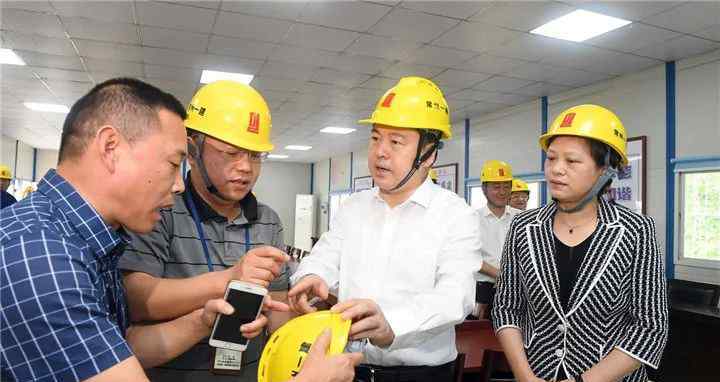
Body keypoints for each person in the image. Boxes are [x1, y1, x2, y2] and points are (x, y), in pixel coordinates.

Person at [0, 78, 360, 382]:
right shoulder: (42, 258)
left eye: (254, 156)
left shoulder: (84, 242)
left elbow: (120, 344)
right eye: (174, 164)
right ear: (111, 148)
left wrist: (202, 322)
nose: (176, 186)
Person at [118, 80, 360, 381]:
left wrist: (310, 316)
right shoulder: (160, 211)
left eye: (255, 155)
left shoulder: (268, 221)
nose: (246, 167)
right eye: (232, 153)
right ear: (193, 151)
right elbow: (136, 300)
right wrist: (228, 280)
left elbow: (277, 313)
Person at [288, 77, 482, 382]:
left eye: (396, 142)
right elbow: (325, 253)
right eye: (376, 138)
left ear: (429, 155)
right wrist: (312, 276)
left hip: (421, 375)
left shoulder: (456, 215)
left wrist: (391, 324)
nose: (380, 152)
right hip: (349, 368)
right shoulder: (354, 207)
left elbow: (455, 296)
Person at [492, 104, 668, 382]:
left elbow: (650, 327)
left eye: (572, 161)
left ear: (605, 170)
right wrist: (524, 376)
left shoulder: (636, 231)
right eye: (551, 159)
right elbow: (506, 307)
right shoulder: (523, 227)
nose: (556, 170)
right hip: (537, 374)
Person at [475, 160, 521, 319]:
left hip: (517, 292)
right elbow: (469, 257)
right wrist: (501, 275)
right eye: (496, 187)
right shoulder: (471, 219)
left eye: (506, 186)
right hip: (483, 294)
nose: (502, 192)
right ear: (484, 189)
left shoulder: (521, 218)